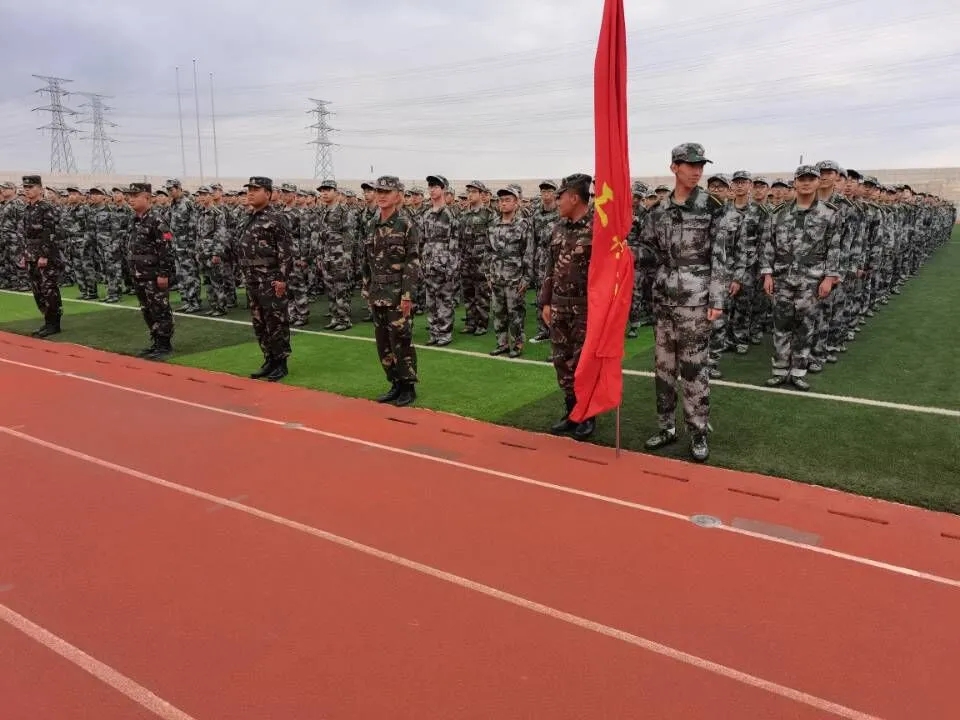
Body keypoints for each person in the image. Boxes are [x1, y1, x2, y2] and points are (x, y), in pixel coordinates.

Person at [638, 144, 729, 462]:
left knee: (694, 370)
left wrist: (717, 298)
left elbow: (720, 257)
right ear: (674, 167)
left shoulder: (712, 207)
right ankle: (666, 426)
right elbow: (649, 252)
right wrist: (622, 252)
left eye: (700, 165)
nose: (697, 171)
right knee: (664, 370)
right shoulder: (658, 211)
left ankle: (698, 430)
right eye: (690, 165)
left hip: (696, 301)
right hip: (664, 301)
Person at [760, 165, 842, 390]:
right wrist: (767, 274)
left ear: (817, 182)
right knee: (781, 325)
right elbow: (768, 245)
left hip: (811, 278)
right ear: (795, 182)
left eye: (811, 179)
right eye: (802, 179)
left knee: (805, 326)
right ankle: (779, 370)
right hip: (782, 277)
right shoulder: (779, 213)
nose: (806, 183)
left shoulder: (830, 213)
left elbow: (834, 247)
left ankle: (798, 372)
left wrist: (829, 278)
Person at [539, 173, 595, 440]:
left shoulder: (598, 228)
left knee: (583, 363)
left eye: (560, 196)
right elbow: (549, 268)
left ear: (574, 197)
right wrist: (546, 301)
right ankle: (572, 411)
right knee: (562, 362)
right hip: (559, 306)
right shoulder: (558, 228)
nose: (557, 200)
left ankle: (587, 414)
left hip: (586, 308)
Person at [361, 175, 421, 407]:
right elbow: (366, 260)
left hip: (397, 292)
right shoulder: (371, 224)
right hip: (377, 291)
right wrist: (366, 286)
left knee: (401, 340)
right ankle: (394, 382)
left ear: (398, 196)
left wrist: (407, 295)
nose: (382, 196)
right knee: (383, 341)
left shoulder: (405, 224)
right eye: (379, 191)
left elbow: (412, 262)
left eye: (387, 192)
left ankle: (408, 386)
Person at [236, 176, 295, 381]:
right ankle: (269, 359)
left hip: (270, 279)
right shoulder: (249, 217)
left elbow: (286, 252)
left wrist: (282, 279)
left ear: (268, 194)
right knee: (259, 322)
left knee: (275, 321)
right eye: (249, 190)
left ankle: (281, 362)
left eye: (255, 189)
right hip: (252, 278)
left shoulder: (276, 218)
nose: (250, 193)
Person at [124, 182, 176, 360]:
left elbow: (166, 249)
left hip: (153, 275)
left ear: (147, 197)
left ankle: (164, 344)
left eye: (135, 196)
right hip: (139, 273)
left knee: (160, 309)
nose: (130, 199)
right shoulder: (134, 219)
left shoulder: (156, 220)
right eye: (129, 196)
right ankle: (156, 341)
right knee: (147, 309)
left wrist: (163, 273)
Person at [18, 175, 62, 338]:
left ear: (40, 189)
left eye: (31, 187)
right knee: (37, 290)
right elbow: (26, 234)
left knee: (48, 288)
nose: (27, 190)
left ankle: (54, 323)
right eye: (25, 187)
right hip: (31, 254)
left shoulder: (46, 208)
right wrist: (25, 254)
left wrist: (44, 255)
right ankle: (47, 321)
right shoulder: (27, 208)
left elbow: (49, 233)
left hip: (45, 255)